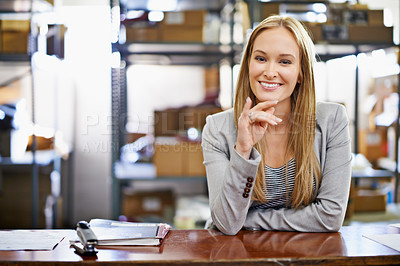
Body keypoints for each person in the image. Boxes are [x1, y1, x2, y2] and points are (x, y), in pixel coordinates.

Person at [201, 15, 352, 235]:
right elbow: (227, 223)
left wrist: (251, 219)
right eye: (261, 59)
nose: (270, 71)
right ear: (248, 64)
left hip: (304, 253)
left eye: (285, 61)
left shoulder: (332, 120)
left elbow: (330, 217)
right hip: (236, 252)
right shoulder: (217, 129)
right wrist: (243, 151)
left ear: (301, 73)